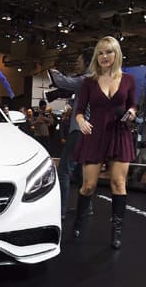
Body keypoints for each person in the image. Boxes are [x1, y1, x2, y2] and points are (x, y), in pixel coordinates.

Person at [71, 36, 138, 249]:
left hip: (120, 134)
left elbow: (133, 106)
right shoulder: (88, 82)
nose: (104, 56)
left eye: (108, 52)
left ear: (116, 54)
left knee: (118, 184)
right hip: (95, 134)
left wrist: (131, 113)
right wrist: (80, 121)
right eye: (100, 53)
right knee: (88, 185)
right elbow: (80, 110)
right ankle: (79, 221)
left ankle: (116, 231)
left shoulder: (128, 80)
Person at [49, 47, 97, 219]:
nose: (77, 65)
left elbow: (63, 82)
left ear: (88, 62)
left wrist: (53, 70)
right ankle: (87, 208)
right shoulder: (97, 80)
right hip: (90, 134)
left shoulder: (86, 79)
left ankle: (60, 211)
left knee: (64, 171)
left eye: (78, 62)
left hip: (78, 132)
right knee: (80, 173)